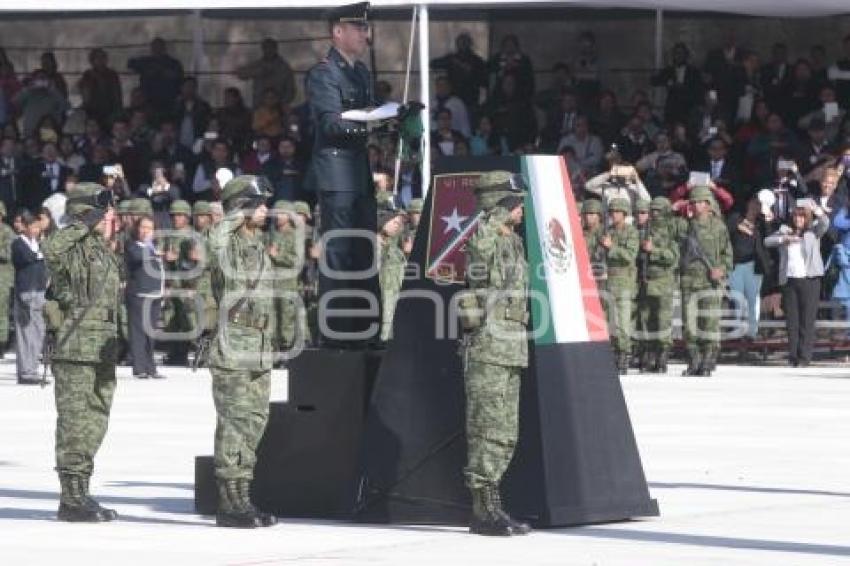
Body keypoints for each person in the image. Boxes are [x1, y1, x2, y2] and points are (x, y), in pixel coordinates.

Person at [457, 171, 530, 536]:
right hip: (488, 346)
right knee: (485, 429)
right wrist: (495, 216)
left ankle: (494, 503)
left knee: (505, 430)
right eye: (516, 203)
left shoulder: (512, 241)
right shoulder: (484, 235)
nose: (521, 210)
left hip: (510, 347)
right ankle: (482, 510)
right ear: (501, 203)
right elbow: (478, 264)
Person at [43, 182, 119, 522]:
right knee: (75, 421)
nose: (109, 216)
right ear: (87, 212)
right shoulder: (69, 245)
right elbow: (51, 249)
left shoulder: (101, 249)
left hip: (102, 345)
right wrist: (83, 223)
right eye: (103, 210)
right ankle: (70, 498)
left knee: (95, 420)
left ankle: (82, 491)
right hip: (75, 346)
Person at [305, 2, 380, 347]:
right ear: (338, 31)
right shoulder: (324, 73)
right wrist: (370, 122)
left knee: (363, 252)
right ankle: (336, 334)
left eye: (365, 28)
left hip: (358, 173)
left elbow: (366, 115)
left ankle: (365, 330)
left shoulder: (361, 72)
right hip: (336, 173)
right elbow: (330, 122)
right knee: (338, 254)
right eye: (359, 28)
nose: (366, 34)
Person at [207, 175, 277, 528]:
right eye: (258, 204)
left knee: (253, 423)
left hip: (260, 348)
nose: (266, 210)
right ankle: (229, 501)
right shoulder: (227, 242)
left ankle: (243, 494)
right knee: (233, 424)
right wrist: (234, 213)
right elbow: (214, 241)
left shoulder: (257, 242)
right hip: (233, 347)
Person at [765, 200, 829, 367]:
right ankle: (793, 356)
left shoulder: (813, 232)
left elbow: (825, 223)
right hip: (789, 281)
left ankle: (804, 357)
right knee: (792, 321)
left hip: (809, 281)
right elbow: (767, 241)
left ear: (807, 218)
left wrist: (817, 210)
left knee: (806, 321)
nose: (798, 219)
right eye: (796, 216)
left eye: (802, 216)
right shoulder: (785, 231)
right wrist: (783, 240)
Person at [679, 186, 733, 377]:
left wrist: (722, 270)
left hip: (710, 282)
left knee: (709, 321)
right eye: (692, 202)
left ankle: (708, 360)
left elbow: (728, 255)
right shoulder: (685, 226)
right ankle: (694, 360)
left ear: (708, 204)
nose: (695, 205)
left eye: (699, 202)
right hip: (689, 280)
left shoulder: (718, 227)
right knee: (690, 322)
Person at [635, 197, 679, 373]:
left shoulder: (671, 230)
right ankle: (647, 355)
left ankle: (662, 357)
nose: (654, 214)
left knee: (662, 320)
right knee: (645, 319)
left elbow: (673, 257)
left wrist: (654, 251)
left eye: (658, 211)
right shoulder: (643, 230)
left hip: (663, 281)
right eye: (652, 210)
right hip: (645, 281)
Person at [726, 196, 771, 357]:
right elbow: (728, 228)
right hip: (736, 265)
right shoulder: (735, 218)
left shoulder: (761, 223)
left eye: (758, 204)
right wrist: (740, 225)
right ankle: (736, 331)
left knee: (753, 299)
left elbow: (769, 237)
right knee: (736, 298)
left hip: (754, 265)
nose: (755, 206)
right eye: (753, 202)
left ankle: (752, 333)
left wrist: (766, 219)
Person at [600, 197, 639, 373]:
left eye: (617, 212)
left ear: (624, 214)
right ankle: (612, 353)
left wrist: (611, 247)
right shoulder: (607, 231)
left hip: (624, 282)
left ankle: (624, 355)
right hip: (608, 281)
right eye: (612, 212)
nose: (614, 215)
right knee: (609, 321)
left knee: (623, 322)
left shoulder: (631, 232)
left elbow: (630, 255)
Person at [125, 215, 165, 379]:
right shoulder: (134, 246)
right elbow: (137, 257)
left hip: (155, 295)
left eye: (150, 228)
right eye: (143, 227)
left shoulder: (153, 249)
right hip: (139, 295)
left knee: (151, 333)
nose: (146, 231)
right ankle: (139, 367)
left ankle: (150, 367)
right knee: (138, 332)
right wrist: (152, 251)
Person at [12, 211, 47, 384]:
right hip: (26, 293)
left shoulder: (38, 244)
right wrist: (38, 255)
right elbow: (26, 258)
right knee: (26, 333)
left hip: (39, 291)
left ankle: (32, 368)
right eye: (32, 226)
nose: (36, 230)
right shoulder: (18, 244)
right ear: (24, 227)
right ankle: (26, 372)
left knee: (38, 332)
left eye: (37, 226)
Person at [127, 38, 185, 120]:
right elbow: (130, 63)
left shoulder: (173, 64)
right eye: (154, 47)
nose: (157, 50)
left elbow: (181, 81)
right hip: (148, 102)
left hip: (168, 101)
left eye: (159, 47)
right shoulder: (146, 62)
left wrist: (168, 73)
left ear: (164, 48)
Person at [236, 38, 297, 109]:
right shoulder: (258, 64)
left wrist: (282, 103)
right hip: (259, 106)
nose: (268, 50)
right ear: (262, 49)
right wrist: (256, 72)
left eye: (271, 48)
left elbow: (291, 90)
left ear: (276, 49)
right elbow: (240, 74)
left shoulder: (284, 67)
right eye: (266, 48)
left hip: (278, 108)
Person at [377, 201, 407, 342]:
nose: (397, 224)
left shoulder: (397, 251)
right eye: (393, 221)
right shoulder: (374, 245)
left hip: (395, 296)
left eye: (398, 222)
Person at [78, 48, 123, 131]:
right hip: (92, 112)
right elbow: (86, 96)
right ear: (92, 61)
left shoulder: (112, 75)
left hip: (110, 111)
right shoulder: (88, 75)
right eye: (97, 58)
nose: (101, 60)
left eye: (103, 57)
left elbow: (117, 96)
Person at [0, 201, 15, 357]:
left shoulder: (7, 232)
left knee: (2, 313)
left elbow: (8, 253)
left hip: (3, 279)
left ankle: (2, 344)